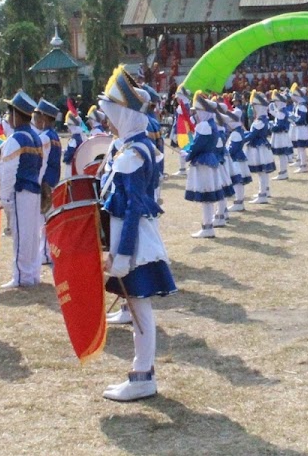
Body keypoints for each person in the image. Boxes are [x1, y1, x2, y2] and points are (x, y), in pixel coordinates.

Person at [95, 66, 177, 401]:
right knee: (139, 309)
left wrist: (123, 255)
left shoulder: (133, 153)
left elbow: (131, 211)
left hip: (135, 243)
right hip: (132, 240)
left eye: (112, 116)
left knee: (140, 310)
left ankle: (143, 376)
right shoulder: (131, 146)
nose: (108, 123)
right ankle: (141, 374)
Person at [0, 91, 43, 288]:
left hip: (20, 190)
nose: (8, 118)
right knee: (32, 235)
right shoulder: (36, 137)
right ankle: (32, 273)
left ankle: (21, 276)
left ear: (16, 114)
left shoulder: (16, 139)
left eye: (9, 113)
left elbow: (8, 171)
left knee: (21, 234)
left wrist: (4, 197)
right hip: (34, 189)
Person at [183, 92, 224, 238]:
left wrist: (187, 155)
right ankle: (208, 225)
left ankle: (208, 227)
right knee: (208, 195)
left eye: (198, 111)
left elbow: (197, 146)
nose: (197, 114)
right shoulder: (212, 124)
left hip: (203, 162)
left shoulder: (204, 126)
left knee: (206, 196)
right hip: (210, 160)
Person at [244, 91, 275, 203]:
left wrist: (241, 138)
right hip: (261, 147)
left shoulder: (259, 121)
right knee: (263, 172)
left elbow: (252, 135)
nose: (252, 108)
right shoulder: (264, 119)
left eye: (253, 106)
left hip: (258, 148)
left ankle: (262, 195)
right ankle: (265, 191)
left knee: (261, 172)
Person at [288, 84, 308, 172]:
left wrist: (293, 119)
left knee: (301, 148)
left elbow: (301, 119)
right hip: (298, 128)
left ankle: (303, 165)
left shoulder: (302, 106)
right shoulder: (299, 105)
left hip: (301, 128)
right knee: (299, 147)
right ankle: (300, 162)